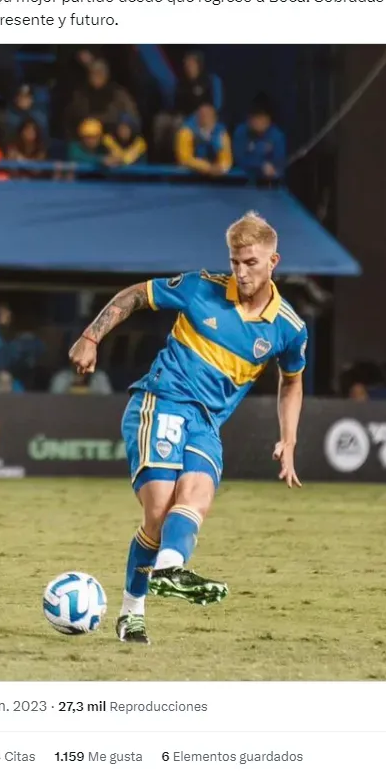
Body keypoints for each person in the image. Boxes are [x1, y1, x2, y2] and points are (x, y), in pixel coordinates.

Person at [69, 211, 307, 645]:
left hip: (206, 423)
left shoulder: (288, 328)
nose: (241, 272)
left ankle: (169, 569)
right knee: (158, 513)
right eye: (235, 261)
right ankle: (133, 611)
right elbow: (136, 295)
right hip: (160, 401)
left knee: (197, 499)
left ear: (274, 261)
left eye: (251, 263)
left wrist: (288, 439)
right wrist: (91, 336)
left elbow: (291, 381)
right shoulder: (201, 287)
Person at [65, 59, 139, 137]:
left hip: (113, 137)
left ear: (106, 75)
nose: (96, 77)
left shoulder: (119, 94)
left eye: (100, 73)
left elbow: (133, 117)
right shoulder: (80, 94)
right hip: (85, 137)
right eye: (93, 74)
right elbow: (72, 117)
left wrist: (125, 126)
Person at [233, 97, 286, 184]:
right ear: (249, 119)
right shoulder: (241, 132)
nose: (259, 122)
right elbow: (239, 159)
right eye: (256, 118)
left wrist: (273, 170)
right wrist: (261, 165)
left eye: (262, 118)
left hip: (268, 182)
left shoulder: (277, 136)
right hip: (243, 180)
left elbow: (279, 163)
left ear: (269, 119)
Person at [175, 103, 232, 176]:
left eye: (209, 114)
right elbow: (185, 158)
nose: (205, 117)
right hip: (189, 175)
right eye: (202, 114)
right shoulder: (186, 131)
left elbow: (226, 159)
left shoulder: (220, 132)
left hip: (216, 175)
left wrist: (222, 168)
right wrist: (208, 168)